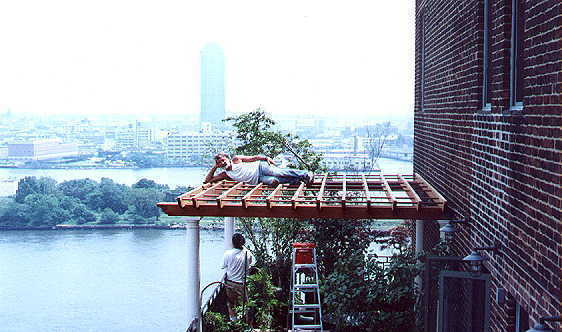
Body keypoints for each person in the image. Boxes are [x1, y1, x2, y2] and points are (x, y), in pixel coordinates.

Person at [204, 153, 313, 186]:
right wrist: (214, 167)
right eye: (219, 163)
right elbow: (208, 180)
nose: (222, 163)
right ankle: (296, 181)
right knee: (274, 181)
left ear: (227, 159)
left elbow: (253, 158)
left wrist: (266, 158)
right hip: (258, 179)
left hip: (260, 167)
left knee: (277, 172)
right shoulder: (225, 174)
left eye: (223, 160)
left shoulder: (236, 159)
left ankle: (305, 174)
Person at [222, 233, 254, 321]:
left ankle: (234, 322)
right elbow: (250, 262)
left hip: (230, 283)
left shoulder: (228, 254)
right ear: (243, 242)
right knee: (245, 305)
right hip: (241, 284)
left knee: (231, 304)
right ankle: (245, 324)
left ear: (232, 242)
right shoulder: (247, 254)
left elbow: (223, 266)